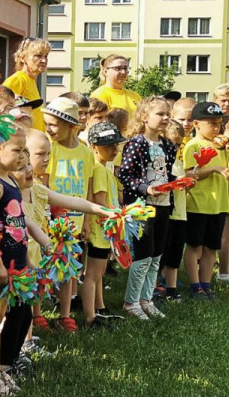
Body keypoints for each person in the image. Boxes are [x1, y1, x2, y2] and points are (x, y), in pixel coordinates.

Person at [0, 130, 48, 394]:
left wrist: (27, 260)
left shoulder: (11, 182)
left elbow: (18, 227)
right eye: (17, 150)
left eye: (23, 151)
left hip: (14, 264)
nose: (22, 156)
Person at [117, 96, 176, 319]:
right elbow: (125, 174)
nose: (166, 118)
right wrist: (145, 189)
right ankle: (131, 302)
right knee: (143, 256)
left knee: (156, 256)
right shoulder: (136, 143)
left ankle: (146, 299)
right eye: (160, 114)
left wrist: (182, 180)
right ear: (144, 117)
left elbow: (166, 174)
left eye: (167, 114)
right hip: (143, 207)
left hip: (164, 205)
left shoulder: (168, 145)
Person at [42, 97, 96, 331]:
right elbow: (42, 183)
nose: (48, 129)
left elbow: (89, 186)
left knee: (70, 268)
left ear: (71, 125)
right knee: (44, 266)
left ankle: (65, 314)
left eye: (53, 124)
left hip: (75, 220)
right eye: (46, 124)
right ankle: (37, 312)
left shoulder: (85, 152)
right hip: (52, 219)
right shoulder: (50, 149)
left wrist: (87, 221)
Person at [181, 102, 229, 298]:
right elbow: (190, 175)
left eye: (219, 123)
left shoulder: (220, 146)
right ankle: (195, 285)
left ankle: (206, 284)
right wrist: (214, 169)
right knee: (195, 246)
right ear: (196, 123)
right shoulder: (193, 145)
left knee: (212, 247)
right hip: (198, 204)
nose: (216, 127)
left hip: (218, 204)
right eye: (211, 123)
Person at [83, 122, 124, 326]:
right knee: (92, 274)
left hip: (106, 230)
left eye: (115, 145)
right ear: (93, 147)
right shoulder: (98, 170)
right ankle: (90, 316)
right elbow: (99, 202)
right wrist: (117, 217)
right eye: (108, 146)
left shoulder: (105, 169)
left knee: (99, 274)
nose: (113, 150)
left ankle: (99, 307)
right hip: (100, 230)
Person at [160, 120, 188, 300]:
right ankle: (156, 285)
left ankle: (171, 287)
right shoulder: (160, 160)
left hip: (180, 213)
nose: (175, 147)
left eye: (178, 144)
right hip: (165, 211)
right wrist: (176, 183)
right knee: (162, 251)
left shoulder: (178, 161)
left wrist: (188, 181)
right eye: (171, 143)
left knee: (176, 251)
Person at [2, 37, 50, 130]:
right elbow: (2, 108)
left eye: (46, 56)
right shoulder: (18, 79)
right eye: (38, 56)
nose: (44, 60)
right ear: (23, 58)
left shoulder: (30, 81)